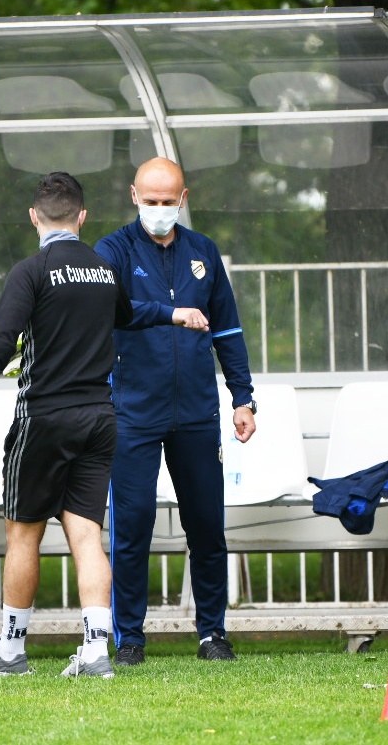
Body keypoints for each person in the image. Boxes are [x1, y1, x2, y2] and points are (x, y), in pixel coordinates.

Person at [0, 172, 137, 678]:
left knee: (23, 534)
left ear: (34, 216)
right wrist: (174, 313)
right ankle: (96, 652)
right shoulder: (104, 269)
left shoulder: (31, 271)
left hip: (44, 419)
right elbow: (129, 316)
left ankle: (10, 650)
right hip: (99, 418)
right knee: (87, 535)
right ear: (82, 217)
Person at [94, 157, 256, 664]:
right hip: (133, 412)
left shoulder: (203, 251)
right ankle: (129, 638)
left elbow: (228, 329)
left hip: (197, 412)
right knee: (133, 525)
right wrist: (171, 314)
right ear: (134, 196)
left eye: (168, 201)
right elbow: (114, 309)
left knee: (206, 525)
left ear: (183, 199)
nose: (160, 209)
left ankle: (212, 633)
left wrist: (243, 397)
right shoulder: (112, 250)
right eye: (151, 200)